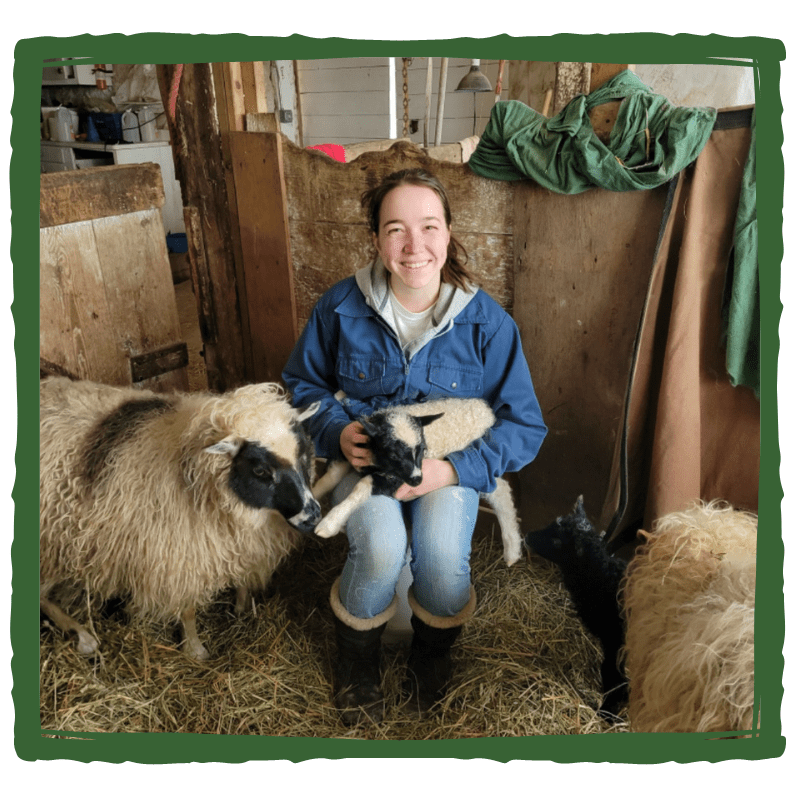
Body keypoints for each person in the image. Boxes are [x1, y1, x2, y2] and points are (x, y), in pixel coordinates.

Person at [282, 167, 547, 724]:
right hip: (368, 461)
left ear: (449, 233)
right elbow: (301, 387)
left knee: (444, 558)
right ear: (377, 238)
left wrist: (453, 472)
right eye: (395, 229)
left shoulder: (486, 324)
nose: (414, 246)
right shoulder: (338, 307)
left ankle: (431, 663)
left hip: (447, 467)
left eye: (429, 227)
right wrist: (338, 433)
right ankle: (358, 669)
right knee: (378, 550)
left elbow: (525, 426)